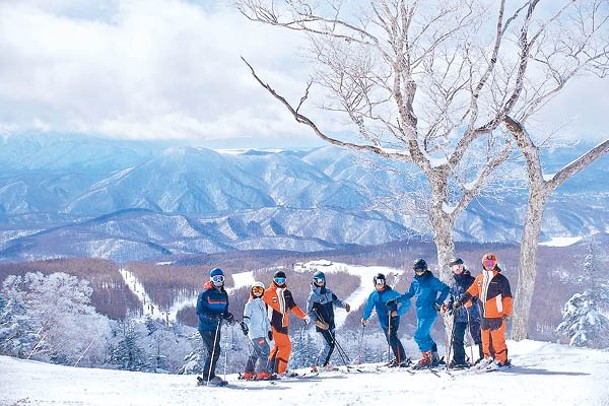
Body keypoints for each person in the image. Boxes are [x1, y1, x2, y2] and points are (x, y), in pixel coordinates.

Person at [454, 252, 513, 369]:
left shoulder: (501, 279)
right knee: (485, 340)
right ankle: (487, 358)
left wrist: (506, 313)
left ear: (495, 263)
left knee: (497, 340)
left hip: (497, 315)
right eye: (487, 263)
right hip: (484, 316)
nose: (489, 265)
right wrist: (460, 302)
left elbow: (507, 298)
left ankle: (501, 360)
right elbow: (470, 292)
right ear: (483, 264)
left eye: (492, 263)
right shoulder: (479, 279)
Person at [399, 258, 449, 369]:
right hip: (420, 313)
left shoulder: (431, 280)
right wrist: (397, 300)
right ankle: (434, 355)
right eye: (416, 270)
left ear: (425, 269)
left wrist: (439, 302)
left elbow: (446, 288)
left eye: (421, 269)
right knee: (425, 335)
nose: (419, 272)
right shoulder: (415, 281)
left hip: (430, 312)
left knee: (419, 336)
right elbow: (409, 294)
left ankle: (427, 358)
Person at [262, 270, 310, 376]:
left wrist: (304, 316)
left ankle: (270, 370)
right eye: (277, 280)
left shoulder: (287, 293)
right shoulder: (267, 293)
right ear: (273, 280)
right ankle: (280, 371)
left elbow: (293, 306)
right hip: (274, 324)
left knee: (278, 347)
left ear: (285, 280)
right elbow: (259, 307)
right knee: (286, 346)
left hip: (284, 324)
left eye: (282, 280)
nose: (279, 282)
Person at [305, 270, 351, 372]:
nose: (320, 282)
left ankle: (324, 364)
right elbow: (310, 313)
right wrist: (319, 323)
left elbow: (336, 301)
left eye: (322, 280)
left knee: (332, 344)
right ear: (314, 281)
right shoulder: (312, 296)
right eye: (318, 280)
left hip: (330, 322)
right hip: (322, 324)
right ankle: (320, 365)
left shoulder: (328, 292)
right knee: (328, 344)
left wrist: (344, 305)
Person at [361, 273, 410, 367]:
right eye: (378, 282)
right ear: (374, 283)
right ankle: (400, 358)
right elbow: (369, 307)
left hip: (392, 319)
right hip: (383, 321)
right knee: (390, 339)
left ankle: (402, 359)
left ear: (385, 282)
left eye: (381, 282)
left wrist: (398, 312)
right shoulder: (374, 295)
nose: (380, 284)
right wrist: (365, 318)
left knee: (392, 338)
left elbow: (406, 302)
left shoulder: (392, 294)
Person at [441, 258, 483, 368]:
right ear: (452, 269)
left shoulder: (471, 280)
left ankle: (485, 358)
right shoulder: (453, 283)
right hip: (459, 315)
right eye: (455, 267)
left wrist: (472, 301)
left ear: (463, 266)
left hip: (472, 313)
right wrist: (447, 307)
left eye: (459, 266)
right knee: (457, 337)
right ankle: (459, 361)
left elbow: (478, 294)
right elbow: (452, 299)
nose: (458, 268)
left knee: (477, 336)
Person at [196, 267, 234, 386]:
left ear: (223, 280)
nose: (218, 281)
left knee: (215, 351)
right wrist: (212, 317)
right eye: (216, 278)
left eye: (220, 278)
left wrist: (228, 316)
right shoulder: (205, 294)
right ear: (211, 280)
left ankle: (210, 375)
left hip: (216, 326)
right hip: (206, 327)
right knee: (213, 351)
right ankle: (207, 377)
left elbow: (224, 311)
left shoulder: (223, 294)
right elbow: (200, 311)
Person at [240, 281, 273, 380]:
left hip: (261, 333)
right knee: (266, 351)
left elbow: (266, 319)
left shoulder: (263, 304)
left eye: (260, 290)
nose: (257, 292)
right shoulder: (250, 304)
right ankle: (261, 372)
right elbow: (247, 318)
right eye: (255, 290)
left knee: (256, 353)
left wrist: (269, 330)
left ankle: (248, 372)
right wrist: (245, 325)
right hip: (255, 333)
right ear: (252, 291)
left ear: (263, 291)